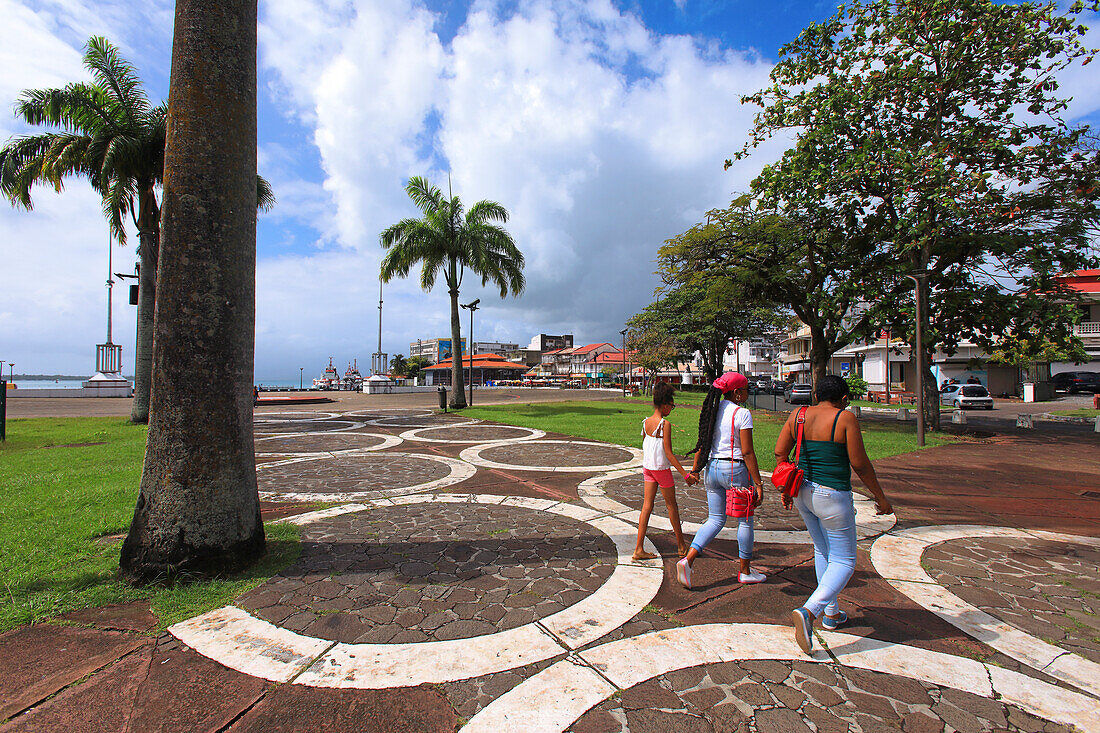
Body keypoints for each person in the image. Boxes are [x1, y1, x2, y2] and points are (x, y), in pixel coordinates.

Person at [775, 375, 893, 654]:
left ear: (816, 396)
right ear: (843, 399)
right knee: (845, 560)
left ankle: (832, 613)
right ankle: (810, 611)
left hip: (804, 491)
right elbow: (860, 465)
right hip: (833, 495)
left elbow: (781, 452)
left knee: (822, 550)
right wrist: (880, 497)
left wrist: (786, 487)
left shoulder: (798, 415)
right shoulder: (845, 419)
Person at [675, 372, 766, 588]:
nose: (747, 393)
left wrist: (696, 469)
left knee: (715, 519)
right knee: (745, 520)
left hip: (713, 468)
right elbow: (748, 452)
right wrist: (758, 483)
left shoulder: (713, 412)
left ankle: (687, 560)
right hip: (734, 469)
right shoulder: (742, 413)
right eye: (745, 390)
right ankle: (745, 571)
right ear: (736, 393)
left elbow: (703, 442)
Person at [634, 382, 694, 560]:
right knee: (671, 506)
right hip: (661, 469)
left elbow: (647, 445)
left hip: (648, 468)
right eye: (672, 406)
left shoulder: (645, 423)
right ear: (665, 404)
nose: (671, 409)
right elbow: (668, 453)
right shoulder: (664, 424)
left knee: (647, 506)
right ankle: (682, 546)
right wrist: (685, 474)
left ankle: (638, 548)